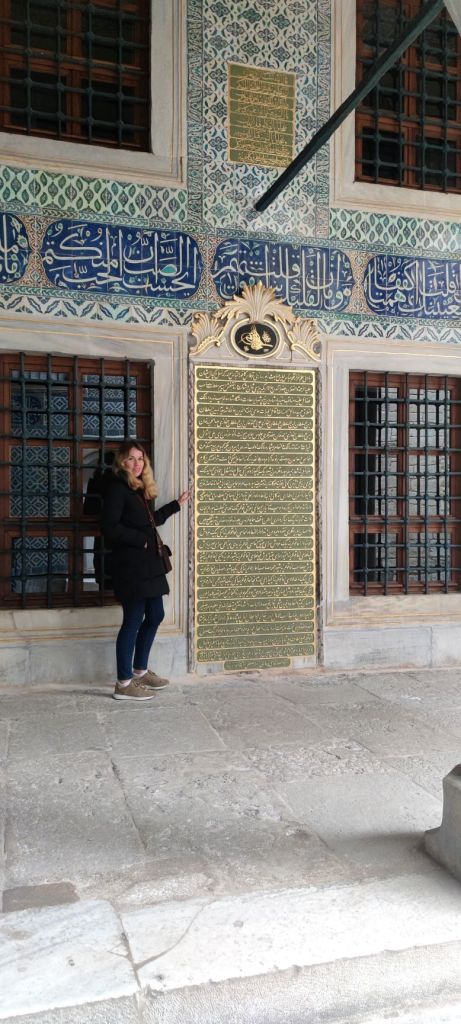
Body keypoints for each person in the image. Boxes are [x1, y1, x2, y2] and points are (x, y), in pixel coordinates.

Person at [102, 440, 190, 701]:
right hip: (131, 566)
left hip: (148, 565)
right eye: (131, 458)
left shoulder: (138, 490)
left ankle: (140, 672)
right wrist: (137, 540)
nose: (137, 463)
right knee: (133, 620)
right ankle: (123, 683)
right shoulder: (117, 489)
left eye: (141, 459)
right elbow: (109, 527)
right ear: (122, 462)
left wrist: (176, 504)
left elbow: (151, 523)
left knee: (155, 615)